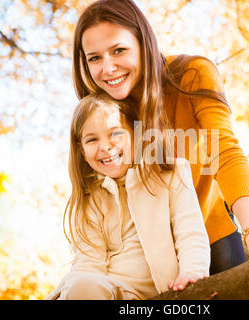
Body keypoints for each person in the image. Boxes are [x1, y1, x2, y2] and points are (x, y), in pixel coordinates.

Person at [71, 0, 249, 275]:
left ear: (143, 43)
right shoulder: (102, 112)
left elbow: (224, 151)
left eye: (118, 50)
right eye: (94, 58)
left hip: (211, 237)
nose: (107, 68)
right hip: (141, 260)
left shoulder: (190, 75)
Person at [46, 92, 210, 300]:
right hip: (110, 292)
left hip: (157, 292)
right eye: (92, 139)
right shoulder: (89, 198)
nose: (105, 146)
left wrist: (193, 272)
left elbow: (190, 233)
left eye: (115, 133)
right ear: (81, 150)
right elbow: (88, 264)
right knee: (83, 284)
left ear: (135, 133)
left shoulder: (170, 173)